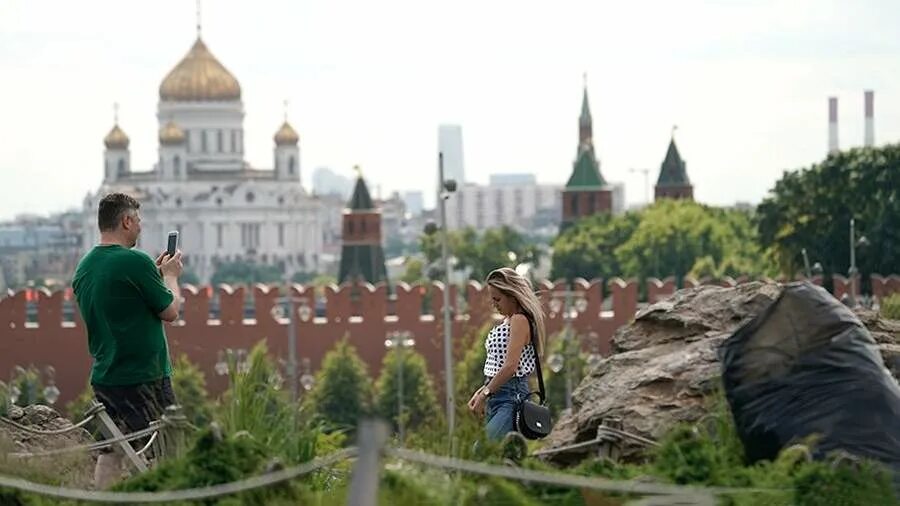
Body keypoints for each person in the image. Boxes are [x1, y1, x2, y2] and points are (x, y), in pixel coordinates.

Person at [72, 193, 183, 487]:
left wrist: (151, 277)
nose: (140, 228)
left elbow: (122, 300)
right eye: (138, 221)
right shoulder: (135, 261)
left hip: (106, 376)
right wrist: (170, 277)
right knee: (166, 450)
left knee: (111, 452)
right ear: (126, 221)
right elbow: (170, 311)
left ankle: (104, 500)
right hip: (145, 376)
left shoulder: (85, 267)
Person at [467, 267, 546, 441]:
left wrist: (483, 395)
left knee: (483, 451)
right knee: (501, 455)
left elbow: (511, 367)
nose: (494, 304)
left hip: (511, 398)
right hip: (497, 395)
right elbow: (498, 365)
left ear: (512, 296)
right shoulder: (508, 320)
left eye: (498, 299)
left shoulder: (519, 320)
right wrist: (482, 390)